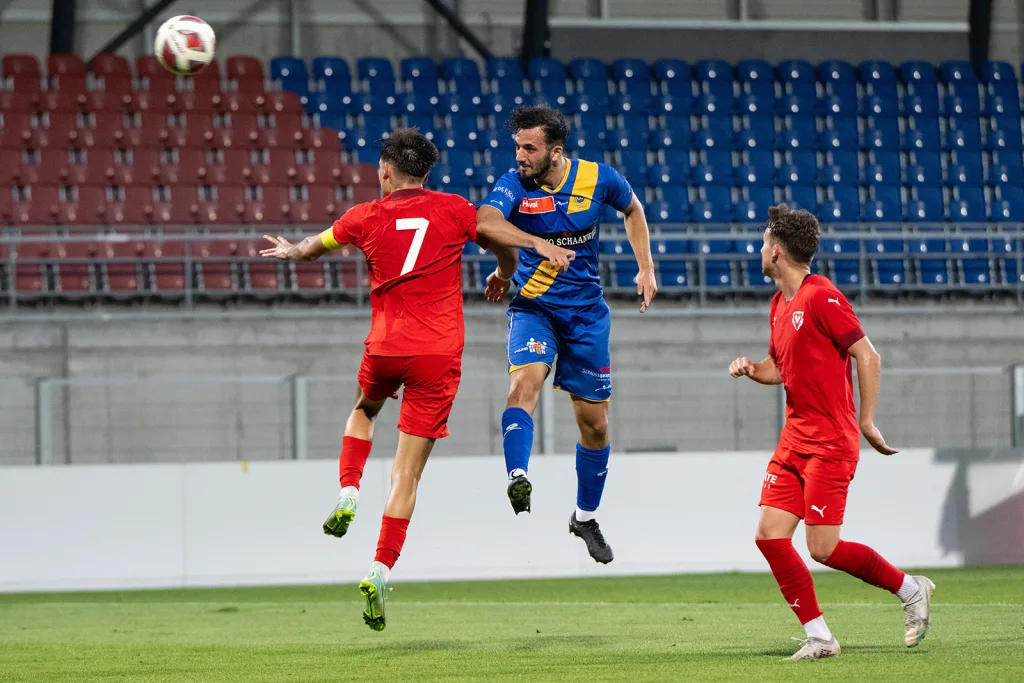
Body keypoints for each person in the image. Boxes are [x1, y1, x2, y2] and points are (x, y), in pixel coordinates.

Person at [260, 128, 575, 631]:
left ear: (386, 171)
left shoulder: (362, 216)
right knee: (406, 475)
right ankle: (379, 571)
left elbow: (314, 249)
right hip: (437, 354)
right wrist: (505, 268)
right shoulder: (452, 209)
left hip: (385, 347)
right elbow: (496, 234)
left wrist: (291, 250)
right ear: (426, 172)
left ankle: (347, 492)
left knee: (364, 410)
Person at [728, 203, 934, 660]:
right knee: (769, 535)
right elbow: (779, 368)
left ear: (777, 251)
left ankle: (910, 589)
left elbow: (868, 356)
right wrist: (751, 367)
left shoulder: (822, 295)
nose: (759, 249)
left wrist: (866, 421)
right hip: (794, 440)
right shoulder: (779, 304)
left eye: (763, 242)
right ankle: (820, 637)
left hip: (831, 443)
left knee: (823, 548)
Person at [477, 105, 657, 564]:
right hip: (534, 308)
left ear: (555, 152)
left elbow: (633, 209)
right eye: (517, 146)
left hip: (585, 316)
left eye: (529, 148)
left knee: (594, 425)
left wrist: (645, 267)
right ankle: (518, 474)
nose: (519, 155)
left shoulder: (599, 179)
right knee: (524, 385)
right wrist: (534, 245)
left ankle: (584, 517)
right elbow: (485, 223)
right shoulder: (514, 184)